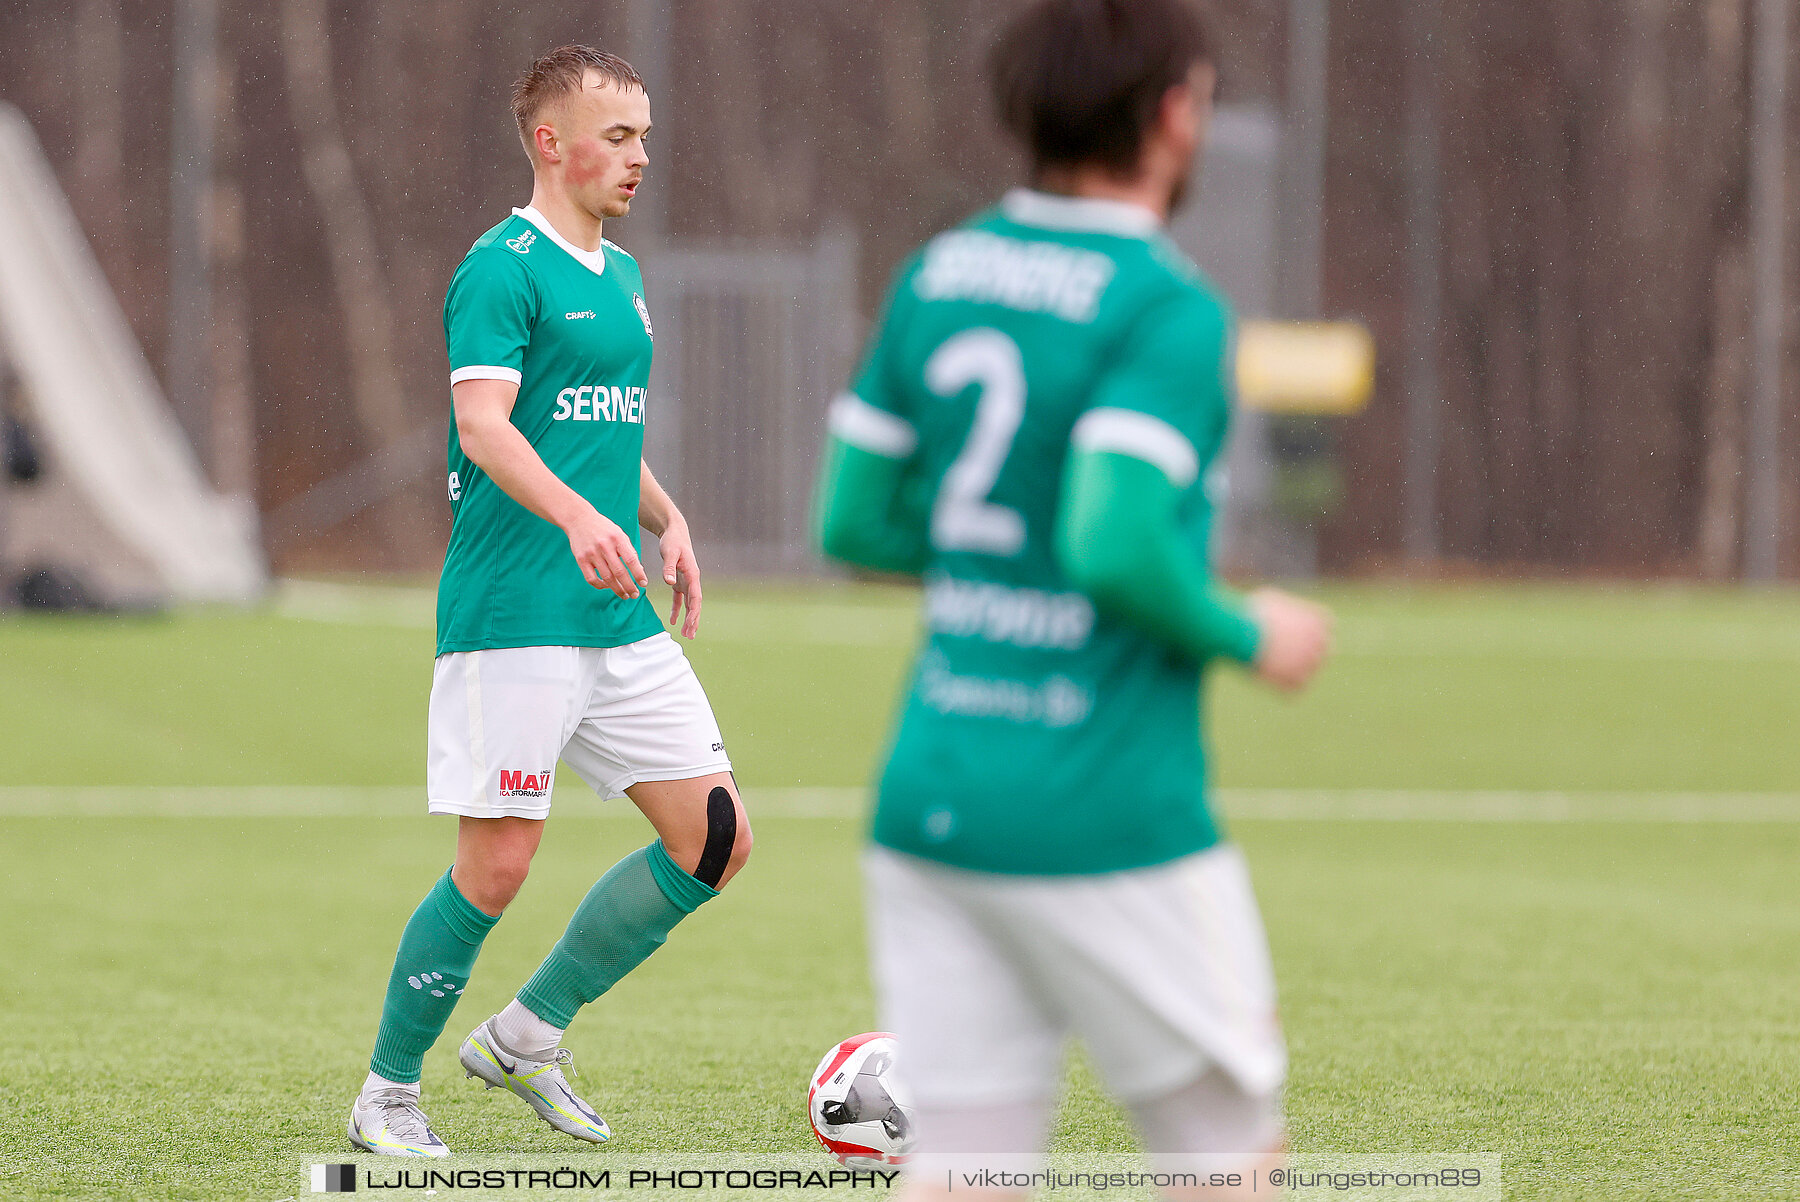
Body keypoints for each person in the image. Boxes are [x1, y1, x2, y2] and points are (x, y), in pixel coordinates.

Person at [814, 0, 1331, 1196]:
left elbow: (850, 520)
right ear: (1170, 115)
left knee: (965, 1166)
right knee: (1228, 1166)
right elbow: (1110, 537)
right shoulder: (1167, 305)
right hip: (1107, 817)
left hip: (935, 799)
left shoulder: (939, 269)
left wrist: (998, 570)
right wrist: (1250, 631)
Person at [347, 45, 751, 1158]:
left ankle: (527, 1033)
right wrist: (579, 518)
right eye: (618, 136)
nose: (639, 157)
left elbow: (597, 427)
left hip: (614, 612)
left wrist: (662, 516)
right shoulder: (500, 266)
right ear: (549, 142)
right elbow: (487, 427)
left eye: (646, 137)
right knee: (498, 865)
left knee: (713, 837)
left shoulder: (620, 276)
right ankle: (386, 1090)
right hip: (516, 605)